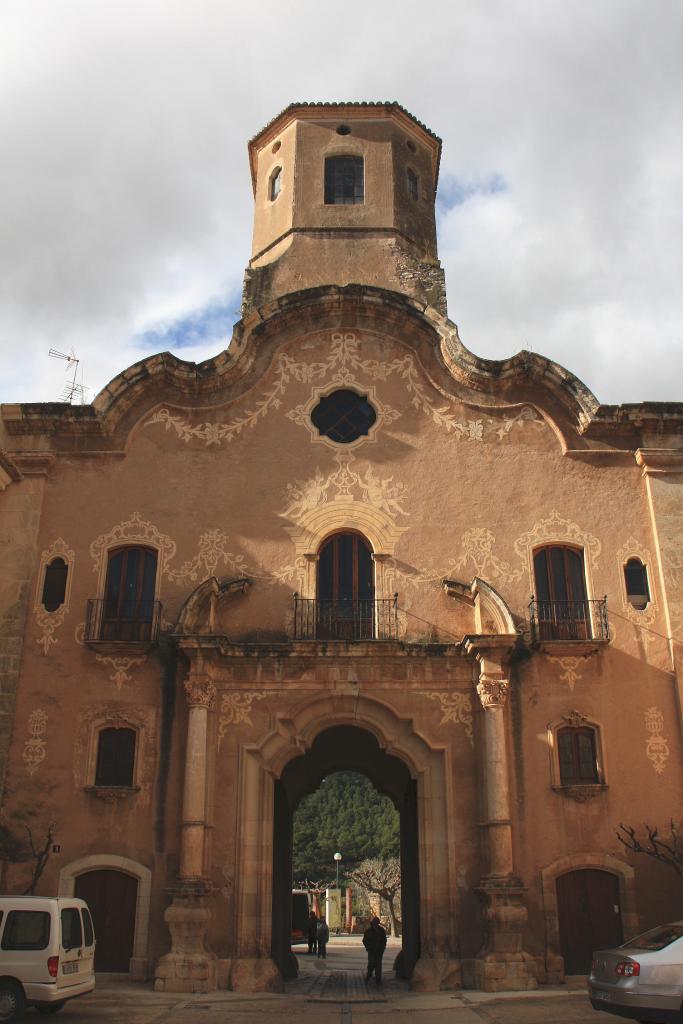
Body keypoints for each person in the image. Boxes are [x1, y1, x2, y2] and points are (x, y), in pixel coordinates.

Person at [363, 916, 387, 985]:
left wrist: (382, 948)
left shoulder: (381, 930)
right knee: (371, 964)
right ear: (372, 923)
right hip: (371, 951)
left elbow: (384, 940)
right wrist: (368, 948)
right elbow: (365, 941)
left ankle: (378, 980)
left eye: (377, 923)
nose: (376, 924)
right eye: (374, 923)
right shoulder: (368, 931)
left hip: (379, 951)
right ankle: (369, 975)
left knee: (378, 966)